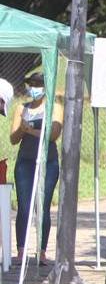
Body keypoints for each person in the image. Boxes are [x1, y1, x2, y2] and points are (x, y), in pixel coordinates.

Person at [9, 72, 61, 265]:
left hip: (48, 162)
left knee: (43, 205)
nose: (34, 87)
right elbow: (13, 139)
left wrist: (30, 130)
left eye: (38, 84)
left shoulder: (54, 108)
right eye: (32, 83)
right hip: (25, 161)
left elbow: (53, 135)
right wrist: (22, 130)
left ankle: (42, 251)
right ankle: (21, 250)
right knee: (24, 206)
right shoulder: (21, 108)